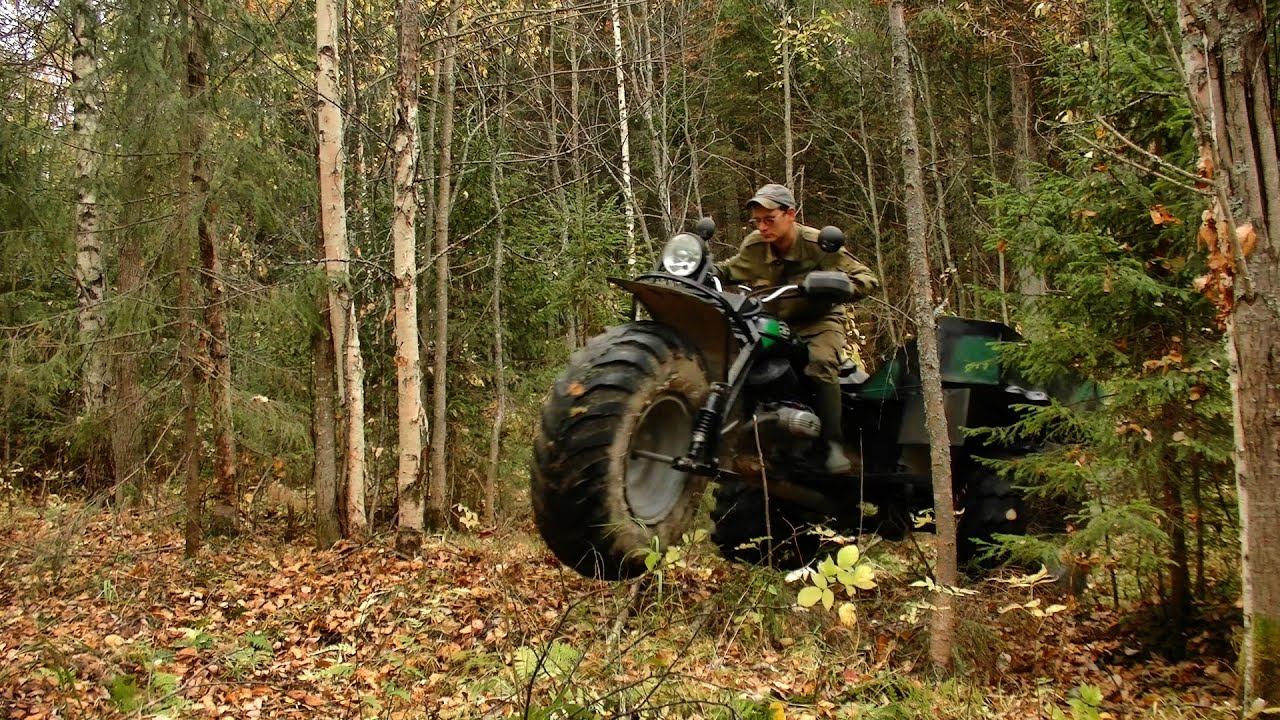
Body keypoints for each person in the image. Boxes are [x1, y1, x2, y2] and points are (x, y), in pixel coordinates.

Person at [713, 183, 879, 474]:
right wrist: (701, 269)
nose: (762, 227)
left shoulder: (818, 244)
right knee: (734, 357)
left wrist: (838, 288)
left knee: (822, 363)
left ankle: (833, 445)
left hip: (818, 321)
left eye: (769, 219)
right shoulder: (754, 245)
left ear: (790, 214)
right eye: (757, 221)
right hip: (773, 322)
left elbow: (867, 278)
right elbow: (730, 268)